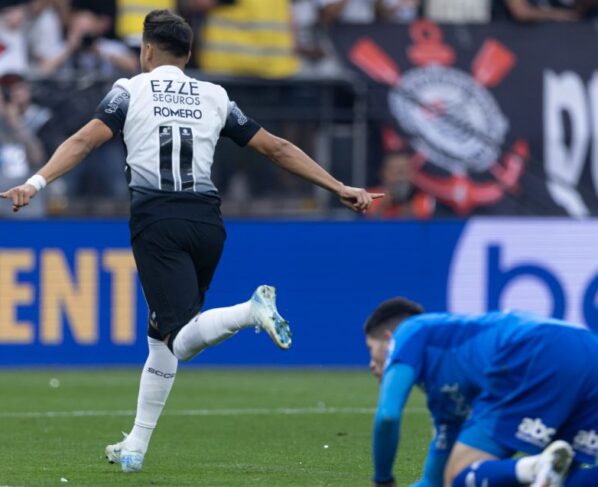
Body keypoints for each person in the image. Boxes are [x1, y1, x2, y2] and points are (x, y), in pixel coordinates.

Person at [0, 9, 382, 472]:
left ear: (145, 50)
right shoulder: (214, 95)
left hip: (157, 219)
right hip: (207, 223)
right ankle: (134, 447)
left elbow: (83, 142)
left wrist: (35, 184)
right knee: (160, 336)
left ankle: (249, 311)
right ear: (189, 54)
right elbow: (276, 148)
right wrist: (338, 185)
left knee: (180, 338)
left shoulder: (129, 89)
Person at [364, 297, 598, 487]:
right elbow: (433, 482)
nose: (371, 364)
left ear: (387, 340)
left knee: (460, 476)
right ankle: (540, 469)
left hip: (536, 347)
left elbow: (388, 415)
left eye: (370, 349)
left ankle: (534, 466)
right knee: (565, 478)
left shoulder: (409, 329)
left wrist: (382, 479)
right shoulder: (448, 397)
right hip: (590, 348)